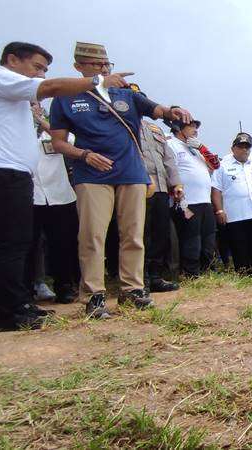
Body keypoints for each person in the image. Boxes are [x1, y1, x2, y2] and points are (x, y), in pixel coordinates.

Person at [0, 41, 137, 331]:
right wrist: (98, 81)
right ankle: (8, 313)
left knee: (18, 241)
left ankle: (18, 304)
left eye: (44, 70)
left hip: (7, 173)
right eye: (37, 67)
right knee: (10, 243)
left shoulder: (10, 93)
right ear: (13, 59)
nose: (41, 75)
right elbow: (52, 88)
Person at [49, 42, 193, 320]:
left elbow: (158, 109)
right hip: (92, 174)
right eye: (97, 66)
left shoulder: (125, 92)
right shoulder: (65, 97)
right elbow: (58, 143)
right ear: (79, 67)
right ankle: (94, 295)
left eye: (107, 65)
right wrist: (84, 154)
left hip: (131, 172)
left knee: (134, 234)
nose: (104, 70)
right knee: (92, 235)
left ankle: (133, 290)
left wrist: (174, 110)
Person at [25, 103, 80, 304]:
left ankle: (64, 286)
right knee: (29, 246)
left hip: (60, 195)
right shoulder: (18, 131)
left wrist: (41, 121)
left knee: (63, 244)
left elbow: (71, 142)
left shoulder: (52, 132)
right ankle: (28, 289)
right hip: (31, 197)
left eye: (35, 105)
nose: (32, 109)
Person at [211, 132, 252, 277]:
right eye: (241, 147)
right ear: (233, 148)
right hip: (235, 215)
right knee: (239, 246)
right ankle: (243, 273)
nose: (244, 150)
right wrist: (219, 211)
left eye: (247, 147)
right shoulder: (222, 166)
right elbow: (216, 190)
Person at [137, 97, 183, 292]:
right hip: (138, 186)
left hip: (162, 188)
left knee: (160, 233)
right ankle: (140, 279)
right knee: (141, 234)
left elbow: (169, 159)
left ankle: (155, 276)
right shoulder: (122, 126)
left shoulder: (155, 129)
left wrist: (176, 183)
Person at [167, 117, 216, 278]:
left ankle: (206, 272)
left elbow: (215, 165)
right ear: (178, 128)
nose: (195, 130)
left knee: (208, 239)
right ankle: (190, 274)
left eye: (196, 127)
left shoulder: (195, 148)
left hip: (205, 201)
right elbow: (169, 171)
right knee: (191, 240)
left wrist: (202, 148)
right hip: (187, 202)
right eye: (191, 127)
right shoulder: (171, 144)